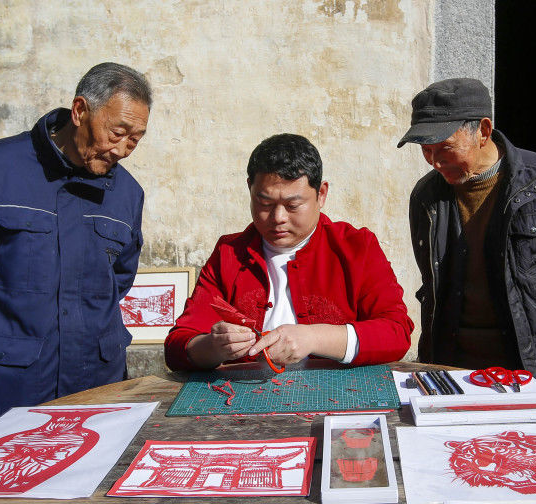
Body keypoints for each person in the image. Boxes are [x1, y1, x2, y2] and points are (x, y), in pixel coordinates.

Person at [0, 62, 151, 442]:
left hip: (94, 385)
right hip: (2, 383)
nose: (122, 149)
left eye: (135, 140)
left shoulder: (127, 194)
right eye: (117, 132)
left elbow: (118, 279)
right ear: (80, 111)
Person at [397, 77, 536, 399]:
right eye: (427, 151)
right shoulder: (426, 197)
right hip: (457, 368)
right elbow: (433, 279)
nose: (436, 162)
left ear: (483, 131)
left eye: (446, 148)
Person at [165, 133, 413, 371]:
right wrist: (213, 347)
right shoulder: (230, 253)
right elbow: (179, 344)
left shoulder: (357, 247)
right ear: (250, 189)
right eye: (264, 204)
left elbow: (396, 332)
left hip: (338, 395)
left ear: (321, 194)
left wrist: (315, 337)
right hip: (244, 398)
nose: (278, 218)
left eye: (293, 205)